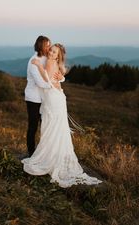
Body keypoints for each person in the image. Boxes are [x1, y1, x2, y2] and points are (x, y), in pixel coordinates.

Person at [22, 43, 102, 188]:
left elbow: (47, 79)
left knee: (53, 125)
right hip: (56, 96)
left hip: (54, 97)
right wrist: (60, 78)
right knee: (55, 126)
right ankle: (55, 155)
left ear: (58, 55)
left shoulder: (50, 62)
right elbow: (57, 77)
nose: (51, 53)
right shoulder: (54, 62)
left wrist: (39, 66)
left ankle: (51, 157)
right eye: (51, 51)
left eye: (54, 52)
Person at [25, 36, 64, 157]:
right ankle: (31, 152)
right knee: (33, 125)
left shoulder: (47, 57)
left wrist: (61, 78)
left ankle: (44, 152)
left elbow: (57, 71)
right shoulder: (34, 61)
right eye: (47, 45)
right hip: (34, 98)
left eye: (50, 45)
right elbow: (41, 83)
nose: (49, 48)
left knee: (46, 125)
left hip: (45, 98)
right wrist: (55, 86)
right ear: (40, 46)